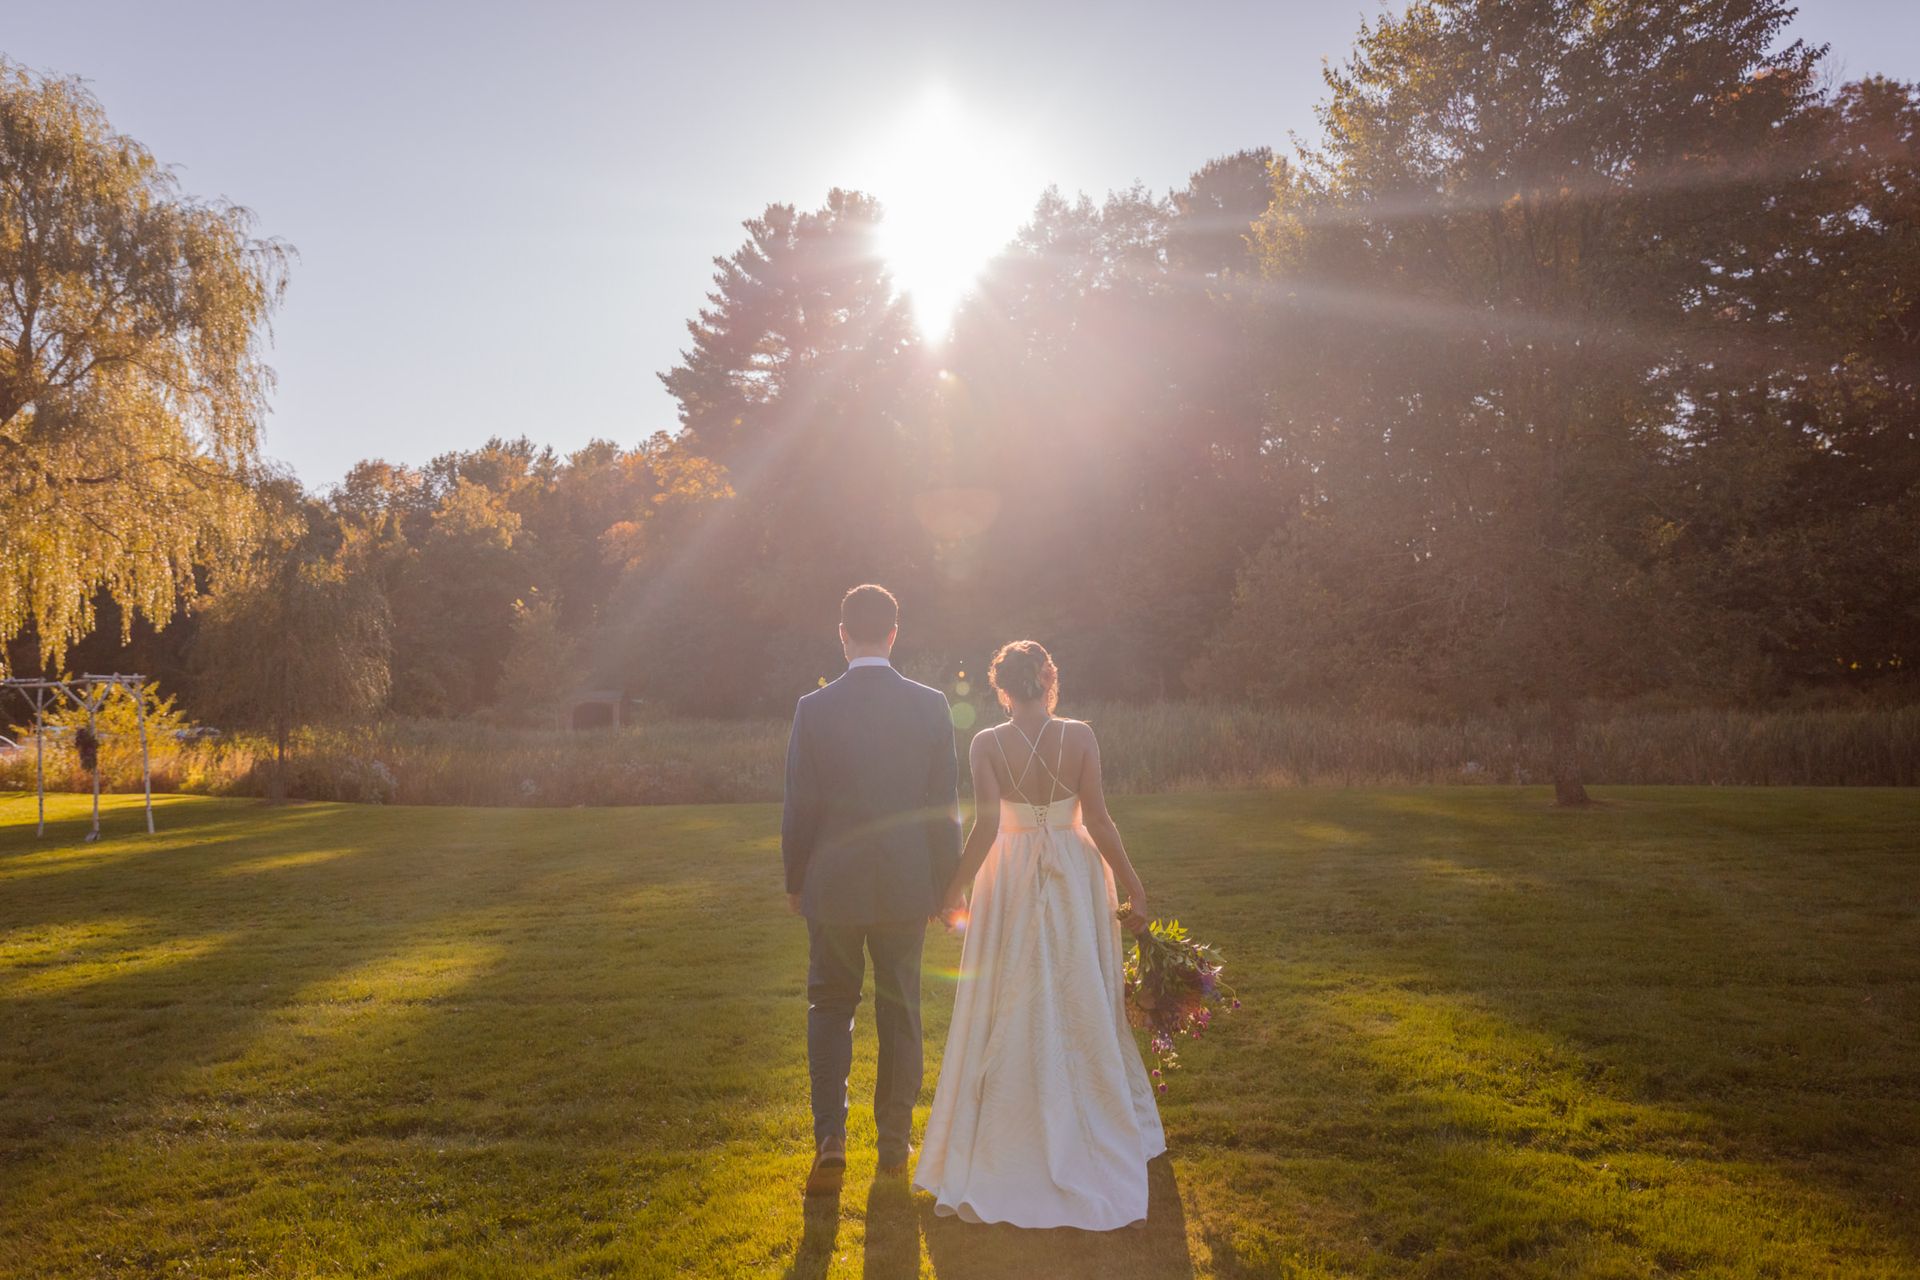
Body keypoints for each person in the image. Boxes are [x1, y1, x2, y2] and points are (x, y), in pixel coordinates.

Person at [913, 639, 1166, 1229]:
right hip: (1077, 872)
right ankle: (1089, 1110)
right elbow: (1098, 819)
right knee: (1079, 986)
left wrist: (953, 889)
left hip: (1010, 873)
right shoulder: (1080, 735)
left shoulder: (985, 743)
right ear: (1049, 679)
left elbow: (985, 825)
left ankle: (1015, 1114)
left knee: (1012, 988)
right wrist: (1135, 888)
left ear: (1001, 687)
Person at [782, 584, 961, 1197]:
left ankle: (831, 1137)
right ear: (893, 633)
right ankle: (893, 1143)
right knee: (900, 1008)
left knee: (830, 1003)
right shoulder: (931, 705)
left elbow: (798, 806)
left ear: (841, 634)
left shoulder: (814, 708)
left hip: (832, 885)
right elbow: (945, 809)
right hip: (908, 884)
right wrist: (948, 886)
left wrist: (795, 878)